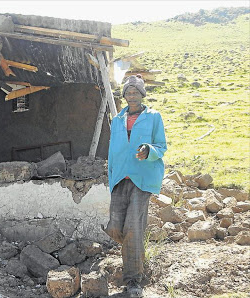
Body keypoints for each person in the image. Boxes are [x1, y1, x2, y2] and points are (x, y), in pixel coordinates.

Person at [103, 75, 167, 298]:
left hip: (142, 179)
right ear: (124, 96)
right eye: (128, 93)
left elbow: (161, 146)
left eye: (136, 93)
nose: (132, 96)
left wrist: (149, 150)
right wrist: (110, 177)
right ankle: (136, 251)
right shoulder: (118, 120)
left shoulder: (153, 117)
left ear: (142, 95)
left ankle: (134, 280)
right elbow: (112, 152)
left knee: (132, 227)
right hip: (120, 178)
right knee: (114, 227)